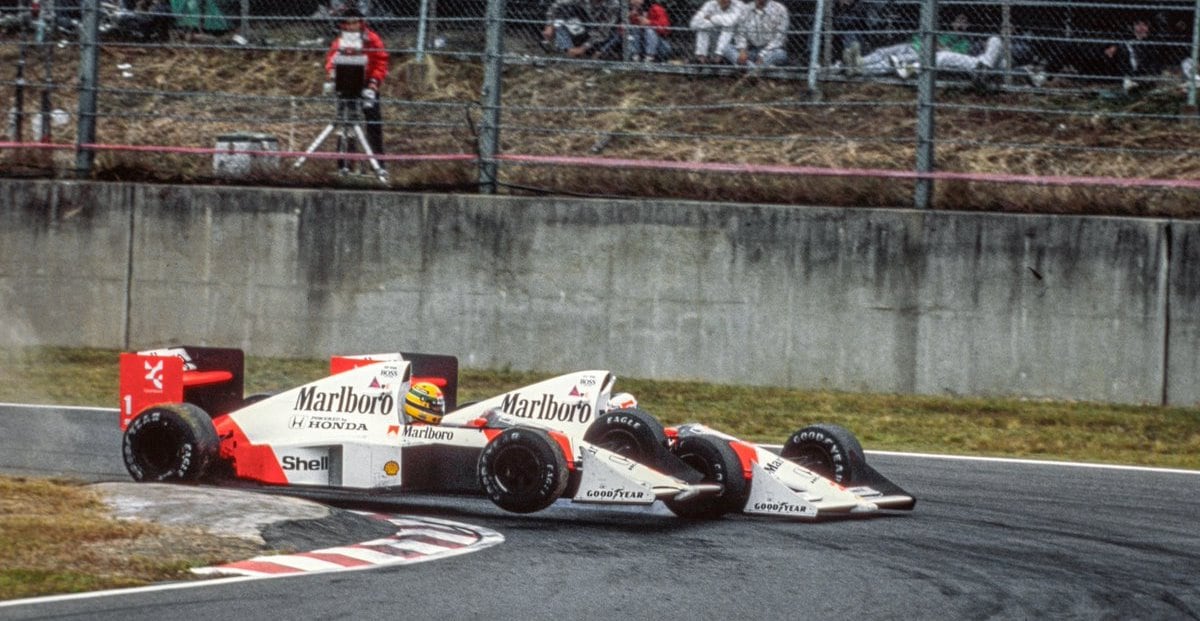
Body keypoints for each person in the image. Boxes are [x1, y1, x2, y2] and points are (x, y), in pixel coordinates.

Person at [324, 7, 390, 167]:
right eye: (348, 23)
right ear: (343, 25)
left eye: (355, 23)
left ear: (361, 23)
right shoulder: (340, 41)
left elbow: (381, 61)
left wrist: (374, 82)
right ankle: (345, 163)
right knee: (345, 122)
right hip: (347, 82)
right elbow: (332, 60)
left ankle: (378, 163)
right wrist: (332, 73)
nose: (351, 26)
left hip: (368, 82)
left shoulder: (372, 39)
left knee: (373, 121)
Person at [542, 0, 622, 60]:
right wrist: (549, 25)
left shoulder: (613, 4)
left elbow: (603, 32)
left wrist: (582, 48)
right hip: (585, 25)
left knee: (610, 36)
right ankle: (565, 49)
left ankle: (578, 52)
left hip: (604, 36)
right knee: (562, 16)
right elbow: (557, 5)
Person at [721, 0, 788, 68]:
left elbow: (779, 38)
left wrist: (762, 54)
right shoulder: (746, 9)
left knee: (780, 53)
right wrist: (742, 50)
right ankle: (757, 69)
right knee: (726, 48)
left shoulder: (780, 10)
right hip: (751, 50)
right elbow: (740, 32)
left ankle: (747, 68)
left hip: (771, 51)